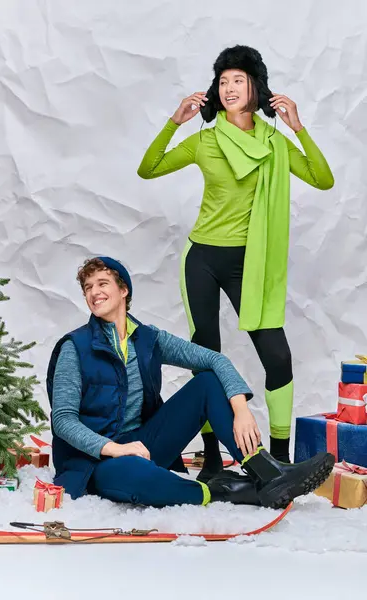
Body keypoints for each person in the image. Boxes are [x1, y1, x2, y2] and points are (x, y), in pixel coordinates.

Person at [137, 45, 334, 482]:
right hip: (203, 258)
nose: (229, 88)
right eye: (223, 81)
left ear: (255, 87)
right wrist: (175, 122)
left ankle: (281, 461)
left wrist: (298, 128)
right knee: (207, 357)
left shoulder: (273, 142)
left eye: (238, 80)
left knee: (277, 357)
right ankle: (211, 459)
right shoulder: (205, 140)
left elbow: (323, 179)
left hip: (252, 261)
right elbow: (147, 169)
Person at [47, 256, 334, 508]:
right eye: (88, 288)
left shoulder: (149, 339)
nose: (94, 292)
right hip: (95, 460)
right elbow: (63, 420)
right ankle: (232, 491)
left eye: (102, 283)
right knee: (139, 478)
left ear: (123, 290)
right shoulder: (76, 347)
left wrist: (241, 408)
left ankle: (267, 472)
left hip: (143, 443)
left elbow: (214, 360)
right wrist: (116, 449)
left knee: (207, 383)